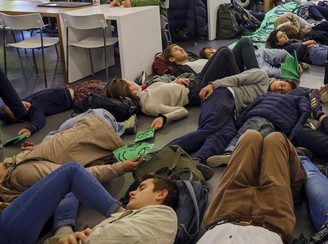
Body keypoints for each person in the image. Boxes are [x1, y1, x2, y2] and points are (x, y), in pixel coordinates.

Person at [0, 162, 178, 244]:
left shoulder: (164, 217)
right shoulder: (157, 220)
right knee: (72, 179)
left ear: (161, 194)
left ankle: (64, 230)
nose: (132, 191)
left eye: (142, 188)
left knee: (72, 172)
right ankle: (64, 230)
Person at [164, 68, 297, 165]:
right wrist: (213, 85)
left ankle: (198, 160)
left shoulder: (267, 98)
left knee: (227, 133)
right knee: (210, 129)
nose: (279, 89)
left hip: (231, 111)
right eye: (282, 85)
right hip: (223, 95)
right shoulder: (262, 76)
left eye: (282, 92)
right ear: (279, 80)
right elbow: (237, 78)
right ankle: (160, 154)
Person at [0, 114, 140, 202]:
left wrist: (35, 149)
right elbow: (74, 174)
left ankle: (122, 126)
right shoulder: (20, 172)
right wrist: (120, 168)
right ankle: (122, 126)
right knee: (59, 131)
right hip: (99, 127)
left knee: (57, 134)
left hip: (97, 130)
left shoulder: (14, 168)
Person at [199, 131, 306, 243]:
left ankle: (279, 171)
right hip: (271, 222)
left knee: (250, 136)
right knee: (276, 139)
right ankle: (296, 182)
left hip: (222, 217)